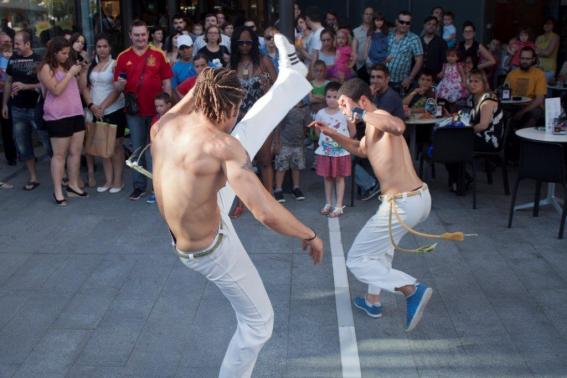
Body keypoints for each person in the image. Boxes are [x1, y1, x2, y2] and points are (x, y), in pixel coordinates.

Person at [151, 35, 321, 378]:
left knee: (242, 138)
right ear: (228, 109)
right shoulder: (221, 148)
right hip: (208, 249)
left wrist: (202, 84)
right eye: (235, 111)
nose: (236, 117)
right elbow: (265, 212)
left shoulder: (163, 127)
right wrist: (310, 234)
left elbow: (199, 103)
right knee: (259, 323)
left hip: (196, 215)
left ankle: (293, 77)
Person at [309, 77, 433, 332]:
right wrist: (331, 132)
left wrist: (360, 113)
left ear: (361, 101)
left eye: (344, 104)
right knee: (381, 252)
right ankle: (372, 301)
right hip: (415, 200)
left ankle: (411, 289)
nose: (342, 111)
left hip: (402, 204)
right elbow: (362, 149)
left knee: (356, 260)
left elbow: (397, 126)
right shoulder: (372, 124)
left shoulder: (378, 115)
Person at [114, 19, 173, 201]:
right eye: (136, 34)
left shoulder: (159, 54)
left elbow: (166, 83)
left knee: (157, 150)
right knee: (138, 149)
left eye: (143, 34)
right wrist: (120, 84)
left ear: (148, 35)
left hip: (157, 111)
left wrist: (167, 109)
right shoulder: (123, 57)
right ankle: (139, 186)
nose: (140, 38)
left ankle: (158, 187)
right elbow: (116, 86)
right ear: (130, 36)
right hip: (135, 112)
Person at [229, 26, 277, 217]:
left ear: (254, 43)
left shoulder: (264, 62)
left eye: (248, 42)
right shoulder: (232, 65)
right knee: (242, 162)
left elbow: (277, 88)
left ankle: (269, 202)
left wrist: (267, 90)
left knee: (265, 160)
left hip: (261, 117)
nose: (244, 46)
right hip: (240, 120)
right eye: (240, 42)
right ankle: (242, 201)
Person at [38, 36, 87, 206]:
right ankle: (58, 190)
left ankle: (73, 184)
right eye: (63, 53)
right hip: (57, 116)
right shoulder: (45, 68)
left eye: (68, 53)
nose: (67, 56)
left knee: (76, 152)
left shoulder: (68, 65)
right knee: (59, 155)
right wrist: (70, 74)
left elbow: (80, 87)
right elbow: (56, 90)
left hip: (75, 112)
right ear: (54, 53)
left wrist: (83, 72)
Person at [2, 30, 51, 191]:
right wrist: (5, 104)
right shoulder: (13, 60)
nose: (14, 46)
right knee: (23, 146)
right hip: (17, 109)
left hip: (37, 108)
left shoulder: (39, 60)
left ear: (28, 44)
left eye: (17, 43)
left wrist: (26, 86)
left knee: (47, 141)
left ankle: (61, 174)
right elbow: (9, 81)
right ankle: (33, 177)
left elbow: (45, 84)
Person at [79, 34, 126, 195]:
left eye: (105, 46)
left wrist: (102, 107)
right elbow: (84, 87)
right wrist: (92, 106)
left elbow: (117, 89)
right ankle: (108, 180)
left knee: (116, 146)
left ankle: (118, 180)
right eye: (99, 46)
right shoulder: (91, 66)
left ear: (110, 48)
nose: (102, 49)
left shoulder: (116, 64)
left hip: (113, 109)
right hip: (95, 110)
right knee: (103, 146)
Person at [446, 69, 504, 193]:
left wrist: (465, 131)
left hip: (489, 140)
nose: (473, 84)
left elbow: (483, 125)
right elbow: (471, 121)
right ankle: (461, 179)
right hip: (477, 136)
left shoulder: (488, 99)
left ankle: (461, 181)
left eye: (476, 81)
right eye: (470, 81)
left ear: (484, 83)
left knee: (452, 144)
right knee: (446, 142)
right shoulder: (473, 98)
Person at [355, 63, 404, 201]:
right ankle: (371, 181)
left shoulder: (390, 96)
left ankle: (371, 184)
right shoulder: (374, 94)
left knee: (345, 155)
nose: (375, 80)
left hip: (389, 140)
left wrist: (368, 100)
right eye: (372, 77)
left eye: (379, 77)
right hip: (374, 137)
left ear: (387, 79)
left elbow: (378, 119)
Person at [313, 81, 356, 218]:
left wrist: (342, 141)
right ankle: (328, 203)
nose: (331, 100)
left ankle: (338, 206)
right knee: (327, 177)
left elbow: (353, 131)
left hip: (340, 152)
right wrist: (326, 141)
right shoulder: (320, 113)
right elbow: (317, 131)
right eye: (328, 96)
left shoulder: (345, 113)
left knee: (339, 178)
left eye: (335, 97)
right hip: (325, 151)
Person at [272, 101, 311, 203]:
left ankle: (296, 188)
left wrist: (302, 141)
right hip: (284, 143)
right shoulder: (285, 107)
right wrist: (276, 142)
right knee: (281, 167)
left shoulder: (305, 110)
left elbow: (306, 126)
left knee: (296, 167)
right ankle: (278, 189)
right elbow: (278, 126)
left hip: (298, 144)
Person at [505, 47, 546, 129]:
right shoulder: (512, 74)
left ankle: (523, 138)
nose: (524, 61)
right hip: (514, 105)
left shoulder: (539, 74)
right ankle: (508, 137)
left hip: (531, 106)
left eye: (527, 59)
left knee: (536, 112)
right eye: (522, 58)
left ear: (533, 59)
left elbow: (539, 100)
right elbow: (505, 95)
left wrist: (522, 112)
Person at [386, 11, 424, 94]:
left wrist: (410, 78)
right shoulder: (388, 35)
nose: (404, 25)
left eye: (407, 23)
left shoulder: (414, 38)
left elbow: (419, 60)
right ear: (396, 21)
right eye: (401, 22)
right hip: (384, 79)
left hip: (400, 82)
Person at [147, 92, 172, 205]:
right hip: (158, 150)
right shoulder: (155, 119)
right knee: (157, 172)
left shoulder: (175, 118)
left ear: (169, 105)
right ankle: (156, 193)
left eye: (161, 106)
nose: (158, 109)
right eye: (156, 106)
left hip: (171, 151)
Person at [0, 31, 16, 165]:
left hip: (10, 96)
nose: (9, 45)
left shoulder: (13, 57)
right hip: (2, 93)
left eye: (10, 42)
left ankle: (12, 157)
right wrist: (10, 84)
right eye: (6, 42)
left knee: (9, 127)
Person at [535, 17, 560, 84]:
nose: (547, 25)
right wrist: (543, 51)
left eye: (549, 24)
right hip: (538, 67)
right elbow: (535, 52)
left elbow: (548, 53)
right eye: (545, 24)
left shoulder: (555, 37)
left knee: (543, 88)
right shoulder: (539, 37)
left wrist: (539, 51)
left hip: (549, 69)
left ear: (553, 26)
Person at [353, 6, 374, 80]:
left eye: (371, 14)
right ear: (363, 15)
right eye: (366, 14)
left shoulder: (377, 30)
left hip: (374, 66)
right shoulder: (356, 31)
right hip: (360, 66)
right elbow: (353, 51)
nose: (368, 16)